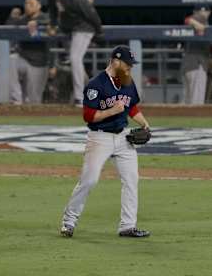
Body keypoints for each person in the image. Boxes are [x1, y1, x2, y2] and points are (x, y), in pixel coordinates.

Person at [60, 45, 151, 238]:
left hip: (123, 137)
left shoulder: (127, 81)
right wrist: (112, 111)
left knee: (131, 179)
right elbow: (88, 116)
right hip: (99, 138)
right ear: (115, 61)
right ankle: (69, 222)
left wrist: (144, 124)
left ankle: (127, 226)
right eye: (127, 64)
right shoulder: (96, 84)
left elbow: (131, 106)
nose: (129, 68)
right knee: (89, 180)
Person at [48, 0, 103, 107]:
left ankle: (80, 97)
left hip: (84, 27)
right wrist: (53, 25)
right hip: (69, 29)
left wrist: (98, 30)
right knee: (76, 62)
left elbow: (90, 13)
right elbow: (52, 10)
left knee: (75, 58)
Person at [7, 0, 50, 104]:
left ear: (39, 6)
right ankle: (16, 99)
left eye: (31, 3)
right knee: (10, 60)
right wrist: (12, 17)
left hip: (39, 63)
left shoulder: (45, 17)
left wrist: (37, 22)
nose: (27, 5)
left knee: (34, 101)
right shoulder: (23, 19)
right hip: (23, 59)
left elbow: (51, 22)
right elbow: (7, 29)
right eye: (26, 3)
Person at [182, 4, 211, 105]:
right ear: (195, 12)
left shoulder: (202, 24)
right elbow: (187, 19)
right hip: (197, 65)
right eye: (199, 12)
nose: (203, 14)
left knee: (188, 100)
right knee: (196, 102)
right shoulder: (199, 19)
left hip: (189, 65)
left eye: (205, 11)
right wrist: (196, 23)